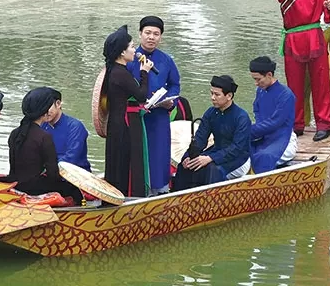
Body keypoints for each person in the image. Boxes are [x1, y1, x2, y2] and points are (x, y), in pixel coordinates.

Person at [271, 0, 330, 141]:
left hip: (315, 38)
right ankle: (296, 124)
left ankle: (324, 123)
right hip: (293, 40)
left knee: (321, 83)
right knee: (294, 85)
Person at [127, 16, 181, 196]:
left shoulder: (166, 60)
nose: (151, 37)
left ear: (161, 37)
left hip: (159, 115)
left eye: (156, 34)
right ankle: (138, 190)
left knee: (159, 152)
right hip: (136, 115)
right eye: (148, 33)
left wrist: (170, 101)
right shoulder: (129, 58)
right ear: (140, 34)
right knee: (138, 153)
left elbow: (175, 84)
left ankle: (160, 189)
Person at [1, 87, 83, 205]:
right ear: (44, 110)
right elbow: (53, 175)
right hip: (34, 188)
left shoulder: (15, 133)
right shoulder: (44, 136)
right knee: (74, 191)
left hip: (17, 184)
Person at [171, 75, 252, 191]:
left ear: (229, 96)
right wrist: (188, 156)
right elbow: (200, 139)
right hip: (216, 151)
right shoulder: (210, 113)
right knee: (187, 166)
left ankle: (211, 204)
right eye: (211, 93)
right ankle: (179, 199)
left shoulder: (241, 117)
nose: (212, 98)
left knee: (211, 168)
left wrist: (210, 158)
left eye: (217, 94)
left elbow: (238, 148)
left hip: (238, 159)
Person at [101, 25, 153, 198]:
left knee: (117, 159)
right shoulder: (120, 73)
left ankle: (116, 193)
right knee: (127, 160)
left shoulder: (113, 70)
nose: (134, 50)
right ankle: (128, 196)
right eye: (131, 47)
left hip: (116, 121)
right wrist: (144, 72)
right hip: (125, 123)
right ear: (122, 53)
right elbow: (141, 96)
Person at [248, 56, 297, 174]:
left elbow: (275, 122)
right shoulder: (261, 90)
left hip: (283, 138)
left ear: (269, 75)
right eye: (254, 79)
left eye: (258, 79)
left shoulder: (286, 95)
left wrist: (249, 131)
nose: (256, 83)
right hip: (263, 136)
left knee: (264, 156)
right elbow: (257, 110)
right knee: (241, 149)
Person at [40, 89, 91, 172]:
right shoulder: (42, 125)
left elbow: (71, 159)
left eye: (48, 106)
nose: (45, 111)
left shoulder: (75, 126)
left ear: (58, 104)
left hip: (74, 176)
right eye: (41, 107)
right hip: (49, 173)